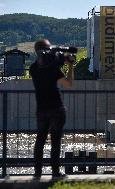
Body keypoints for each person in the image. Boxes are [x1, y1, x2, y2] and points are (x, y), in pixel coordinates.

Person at [29, 39, 74, 179]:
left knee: (40, 141)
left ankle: (37, 173)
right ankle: (55, 172)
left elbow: (43, 65)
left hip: (41, 109)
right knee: (55, 142)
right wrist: (71, 65)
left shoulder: (33, 68)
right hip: (56, 108)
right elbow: (68, 84)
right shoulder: (53, 68)